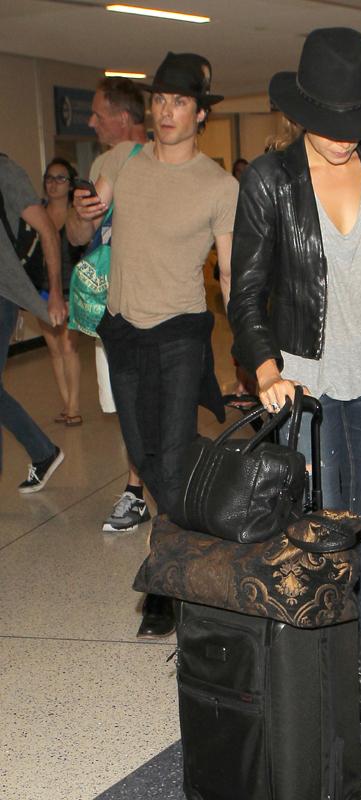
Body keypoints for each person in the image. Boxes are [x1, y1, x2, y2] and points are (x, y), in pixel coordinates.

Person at [228, 27, 361, 726]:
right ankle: (316, 652)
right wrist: (264, 366)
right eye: (333, 123)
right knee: (320, 524)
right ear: (302, 110)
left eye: (358, 122)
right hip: (308, 380)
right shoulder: (269, 181)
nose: (346, 137)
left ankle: (356, 661)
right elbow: (246, 290)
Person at [69, 52, 238, 637]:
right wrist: (83, 213)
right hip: (123, 332)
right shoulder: (121, 159)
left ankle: (168, 580)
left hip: (179, 333)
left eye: (180, 103)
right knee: (144, 458)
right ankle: (203, 542)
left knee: (169, 453)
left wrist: (253, 348)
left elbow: (231, 275)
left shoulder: (219, 184)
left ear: (199, 115)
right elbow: (80, 230)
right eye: (161, 100)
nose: (167, 111)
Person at [72, 77, 149, 532]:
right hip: (112, 302)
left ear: (122, 117)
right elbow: (81, 237)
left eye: (98, 114)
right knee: (128, 402)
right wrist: (80, 217)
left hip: (159, 302)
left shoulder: (165, 162)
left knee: (152, 401)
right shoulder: (106, 162)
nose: (91, 122)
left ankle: (139, 489)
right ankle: (139, 487)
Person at [0, 154, 66, 492]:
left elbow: (48, 230)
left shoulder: (6, 172)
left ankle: (43, 451)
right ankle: (42, 451)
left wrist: (54, 292)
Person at [28, 158, 84, 426]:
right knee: (53, 349)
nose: (53, 183)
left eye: (60, 178)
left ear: (70, 183)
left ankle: (74, 406)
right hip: (42, 289)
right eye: (49, 178)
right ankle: (65, 404)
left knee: (68, 346)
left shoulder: (77, 215)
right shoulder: (36, 213)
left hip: (70, 289)